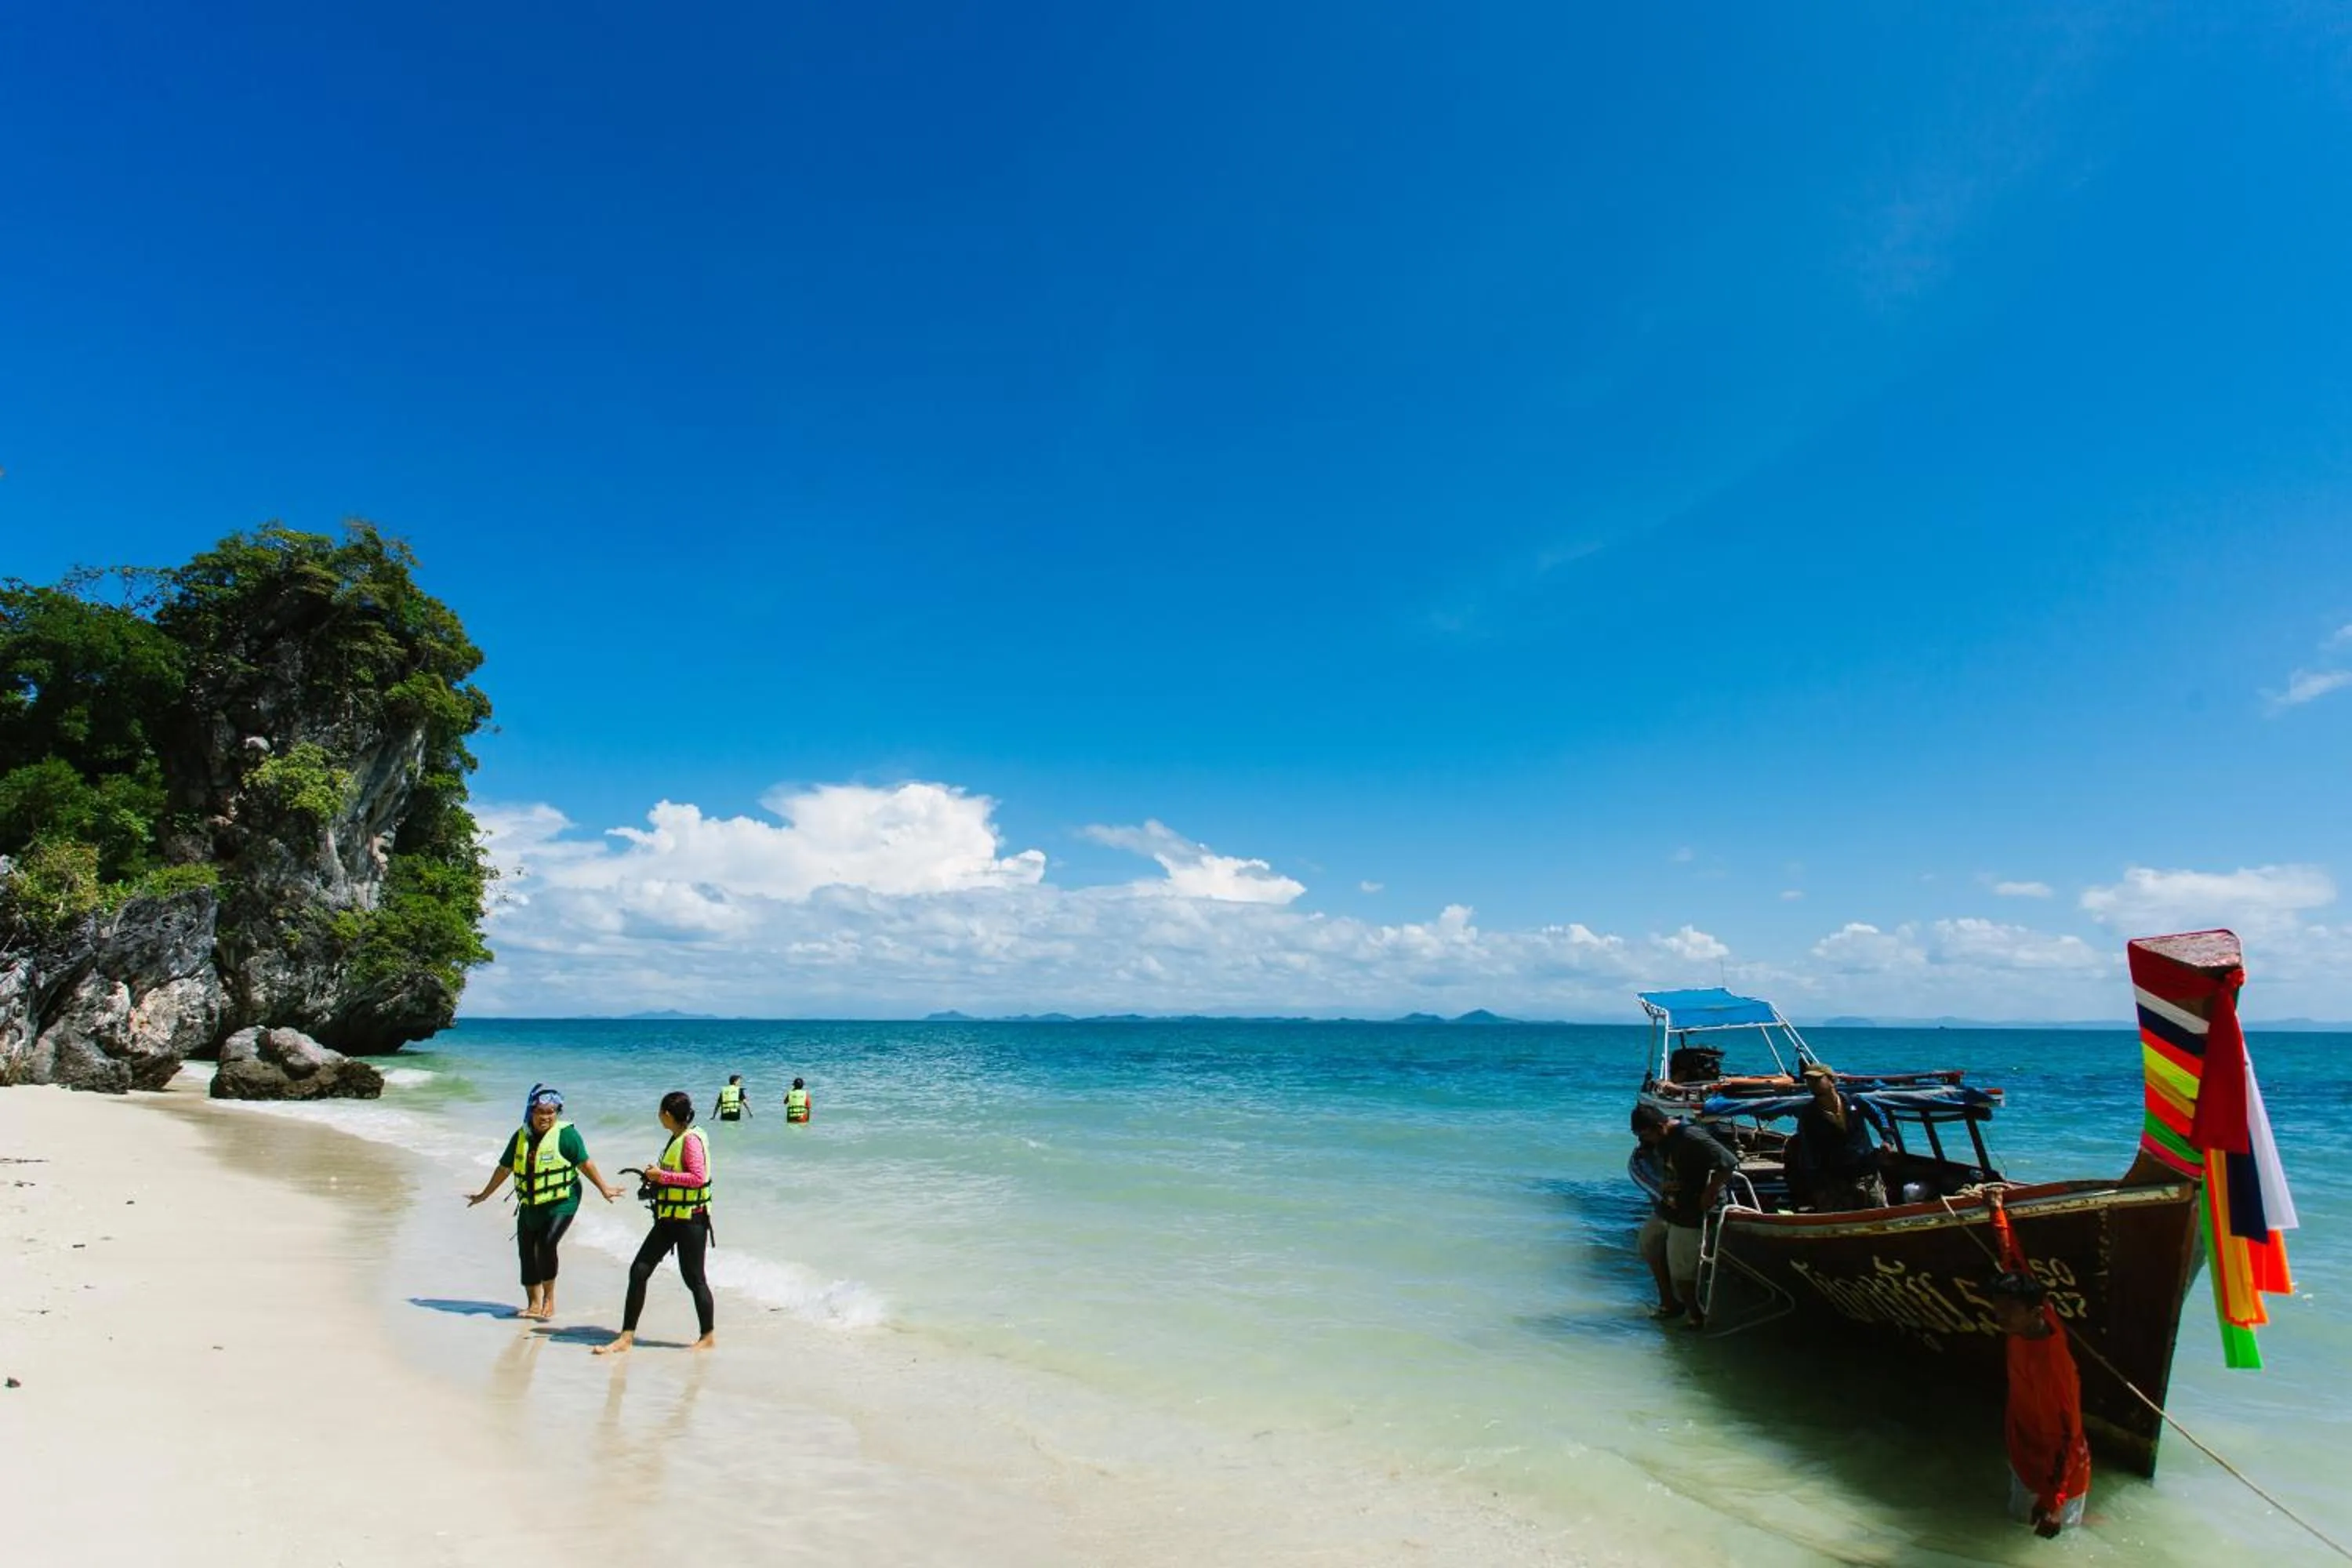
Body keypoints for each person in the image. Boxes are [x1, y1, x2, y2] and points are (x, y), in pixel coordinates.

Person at [466, 1084, 622, 1321]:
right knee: (527, 1250)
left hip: (563, 1200)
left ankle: (549, 1299)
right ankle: (533, 1304)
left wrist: (604, 1188)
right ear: (531, 1112)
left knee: (546, 1244)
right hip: (531, 1203)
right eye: (541, 1112)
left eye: (551, 1112)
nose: (546, 1117)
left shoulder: (567, 1135)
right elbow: (504, 1168)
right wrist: (484, 1195)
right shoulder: (520, 1136)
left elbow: (585, 1163)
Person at [1986, 1191, 2090, 1537]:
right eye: (1998, 1309)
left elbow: (2068, 1437)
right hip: (2024, 1454)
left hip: (2051, 1476)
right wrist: (1997, 1211)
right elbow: (2013, 1260)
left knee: (2031, 1538)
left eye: (2007, 1312)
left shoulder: (2050, 1367)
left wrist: (2053, 1502)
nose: (2000, 1318)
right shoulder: (2033, 1317)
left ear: (2033, 1312)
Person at [596, 1090, 717, 1356]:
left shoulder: (691, 1140)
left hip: (691, 1219)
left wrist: (662, 1176)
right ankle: (626, 1337)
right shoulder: (677, 1137)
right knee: (639, 1270)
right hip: (669, 1218)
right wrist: (656, 1177)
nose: (659, 1116)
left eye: (660, 1112)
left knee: (694, 1278)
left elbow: (697, 1178)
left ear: (668, 1114)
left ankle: (707, 1336)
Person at [1632, 1103, 1740, 1327]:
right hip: (1670, 1205)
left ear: (1661, 1127)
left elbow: (1729, 1163)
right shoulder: (1659, 1138)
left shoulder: (1691, 1136)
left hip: (1692, 1209)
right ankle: (1669, 1303)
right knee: (1649, 1244)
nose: (1644, 1140)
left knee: (1681, 1269)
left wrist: (1710, 1192)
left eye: (1646, 1135)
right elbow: (1649, 1150)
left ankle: (1695, 1316)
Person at [1792, 1062, 1887, 1211]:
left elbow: (1879, 1115)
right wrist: (1816, 1183)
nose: (1812, 1084)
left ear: (1832, 1080)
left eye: (1816, 1079)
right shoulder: (1809, 1115)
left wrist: (1887, 1139)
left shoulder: (1854, 1102)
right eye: (1808, 1080)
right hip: (1834, 1179)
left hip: (1866, 1172)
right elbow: (1808, 1151)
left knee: (1878, 1212)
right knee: (1841, 1218)